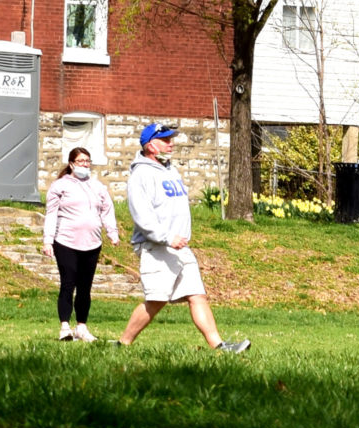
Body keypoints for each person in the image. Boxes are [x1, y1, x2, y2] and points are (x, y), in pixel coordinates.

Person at [116, 124, 248, 353]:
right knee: (157, 300)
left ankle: (219, 345)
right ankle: (122, 343)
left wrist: (179, 238)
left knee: (198, 295)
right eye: (165, 139)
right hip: (156, 246)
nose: (171, 143)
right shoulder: (141, 175)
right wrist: (167, 238)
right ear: (150, 146)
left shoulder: (171, 171)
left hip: (180, 247)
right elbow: (142, 217)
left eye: (171, 138)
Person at [42, 146, 118, 342]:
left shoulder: (98, 187)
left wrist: (112, 233)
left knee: (85, 287)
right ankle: (65, 327)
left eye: (87, 161)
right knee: (68, 284)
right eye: (80, 161)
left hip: (92, 243)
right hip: (66, 241)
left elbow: (107, 210)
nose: (85, 164)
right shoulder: (60, 186)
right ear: (71, 164)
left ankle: (81, 328)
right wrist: (48, 241)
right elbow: (51, 215)